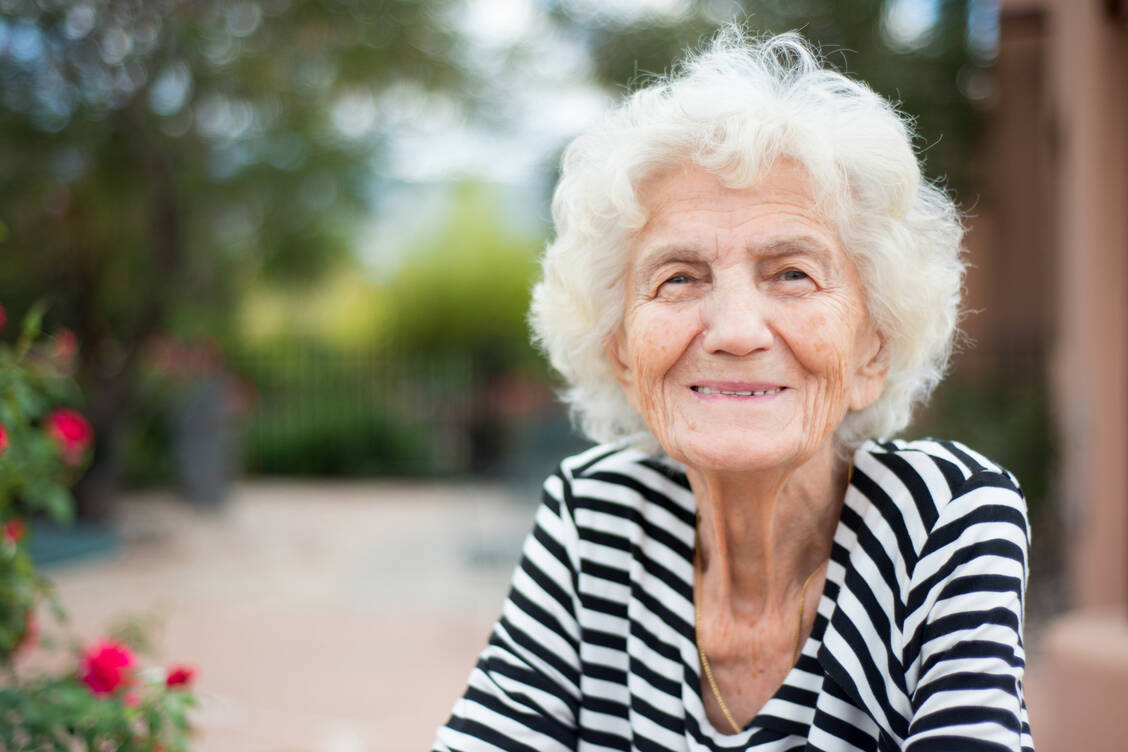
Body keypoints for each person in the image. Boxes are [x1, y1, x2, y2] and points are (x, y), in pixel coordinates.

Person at [434, 29, 1033, 752]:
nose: (736, 331)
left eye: (791, 274)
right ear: (622, 352)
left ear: (872, 347)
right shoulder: (593, 517)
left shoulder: (943, 520)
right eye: (678, 278)